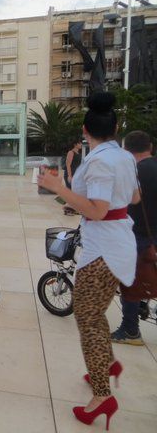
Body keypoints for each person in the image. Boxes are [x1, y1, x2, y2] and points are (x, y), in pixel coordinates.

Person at [38, 91, 139, 430]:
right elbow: (134, 197)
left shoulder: (99, 162)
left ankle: (102, 395)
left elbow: (97, 210)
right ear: (116, 127)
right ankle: (106, 366)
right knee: (95, 313)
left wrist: (58, 187)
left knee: (88, 319)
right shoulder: (124, 156)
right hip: (119, 242)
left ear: (85, 130)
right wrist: (75, 194)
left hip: (103, 250)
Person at [110, 130, 156, 346]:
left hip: (138, 236)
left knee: (130, 283)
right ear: (150, 147)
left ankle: (130, 330)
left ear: (126, 151)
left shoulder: (132, 172)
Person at [63, 140, 83, 215]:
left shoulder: (78, 153)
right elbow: (68, 165)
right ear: (75, 144)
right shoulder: (71, 152)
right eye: (79, 143)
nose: (81, 144)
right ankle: (67, 210)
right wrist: (69, 176)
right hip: (70, 174)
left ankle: (73, 209)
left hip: (75, 175)